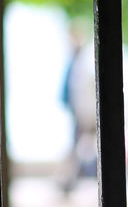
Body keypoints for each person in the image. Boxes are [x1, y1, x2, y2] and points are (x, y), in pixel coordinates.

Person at [62, 26, 97, 196]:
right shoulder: (78, 60)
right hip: (82, 111)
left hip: (85, 112)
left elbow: (86, 89)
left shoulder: (84, 60)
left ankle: (71, 181)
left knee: (79, 145)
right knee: (80, 145)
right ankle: (71, 181)